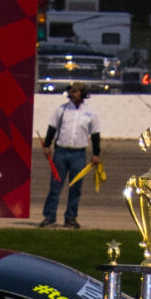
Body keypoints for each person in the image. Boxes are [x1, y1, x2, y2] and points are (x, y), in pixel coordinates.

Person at [38, 87, 101, 227]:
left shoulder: (90, 112)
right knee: (55, 185)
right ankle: (50, 216)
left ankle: (71, 217)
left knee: (76, 187)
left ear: (82, 93)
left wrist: (96, 154)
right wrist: (47, 145)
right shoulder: (62, 110)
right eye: (71, 92)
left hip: (79, 153)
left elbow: (95, 134)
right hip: (60, 151)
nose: (72, 94)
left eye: (75, 91)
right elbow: (52, 128)